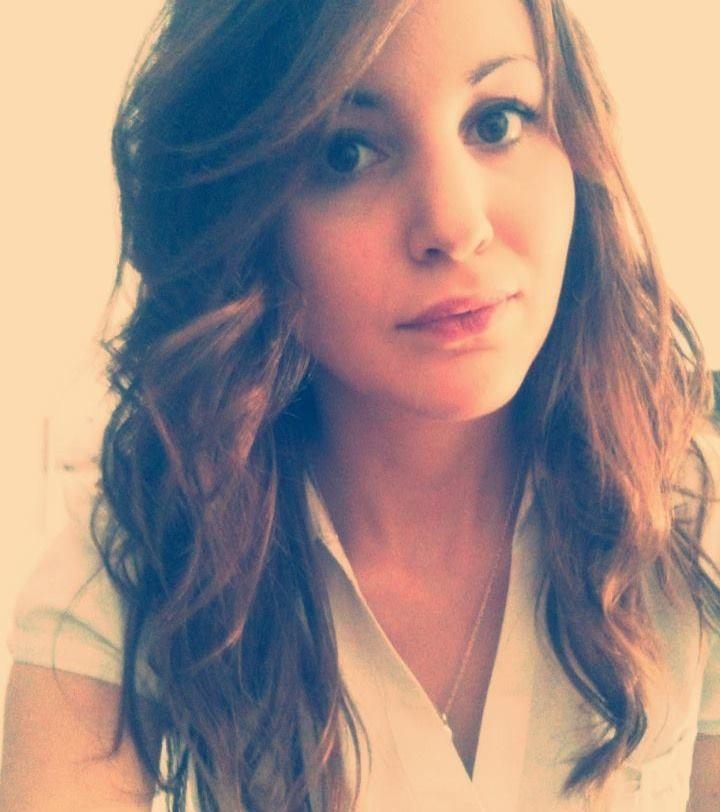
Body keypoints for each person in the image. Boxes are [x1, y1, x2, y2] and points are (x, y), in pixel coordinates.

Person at [2, 0, 719, 809]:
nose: (455, 224)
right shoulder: (151, 544)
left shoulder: (692, 518)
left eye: (497, 122)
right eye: (346, 153)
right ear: (242, 217)